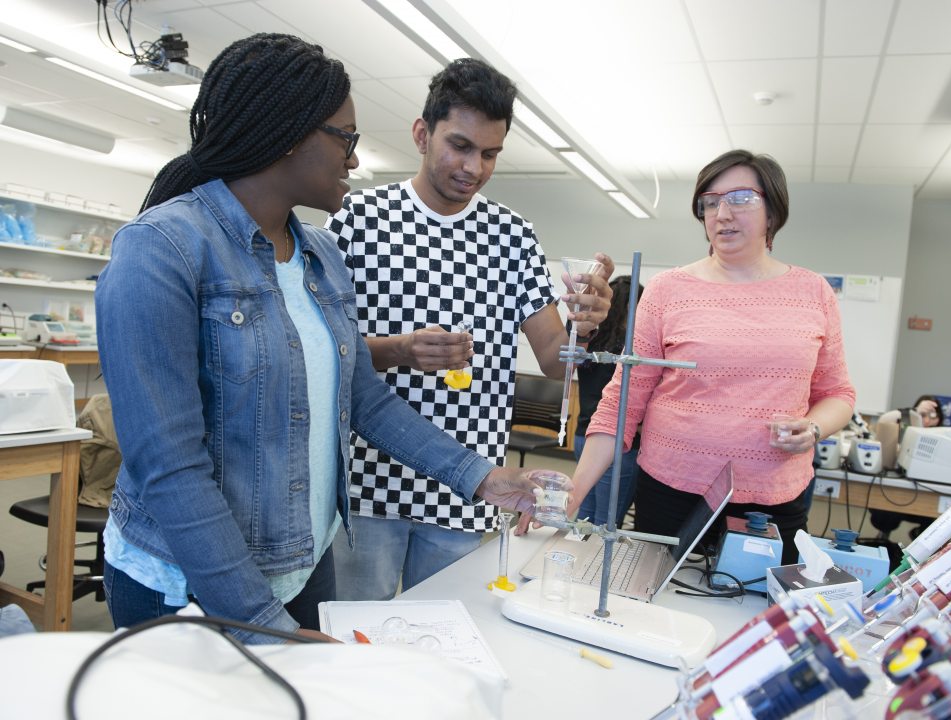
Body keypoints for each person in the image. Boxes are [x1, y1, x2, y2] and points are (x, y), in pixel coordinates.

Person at [94, 34, 543, 643]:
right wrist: (260, 623)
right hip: (191, 587)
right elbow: (169, 467)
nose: (354, 160)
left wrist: (481, 477)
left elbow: (365, 398)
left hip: (301, 565)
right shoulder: (161, 251)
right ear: (288, 134)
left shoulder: (319, 257)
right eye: (346, 138)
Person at [325, 58, 613, 600]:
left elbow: (555, 360)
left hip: (470, 486)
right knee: (353, 642)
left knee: (445, 645)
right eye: (459, 145)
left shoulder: (512, 234)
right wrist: (399, 350)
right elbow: (319, 350)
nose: (473, 167)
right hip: (365, 484)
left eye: (489, 154)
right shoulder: (356, 219)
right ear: (421, 134)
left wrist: (587, 324)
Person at [526, 149, 857, 565]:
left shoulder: (814, 293)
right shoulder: (668, 290)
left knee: (750, 610)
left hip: (773, 495)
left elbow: (838, 393)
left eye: (740, 198)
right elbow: (622, 402)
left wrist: (813, 426)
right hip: (671, 489)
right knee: (654, 602)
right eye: (710, 201)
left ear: (772, 211)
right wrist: (572, 497)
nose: (722, 212)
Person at [573, 275, 643, 527]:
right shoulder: (634, 351)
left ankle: (577, 564)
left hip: (583, 436)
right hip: (619, 444)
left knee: (584, 516)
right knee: (607, 522)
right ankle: (594, 567)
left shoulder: (591, 341)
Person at [870, 394, 945, 538]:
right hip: (900, 494)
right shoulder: (901, 428)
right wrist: (913, 414)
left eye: (933, 416)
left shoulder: (944, 438)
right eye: (923, 415)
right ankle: (883, 539)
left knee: (938, 521)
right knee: (885, 512)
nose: (928, 421)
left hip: (928, 498)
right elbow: (884, 421)